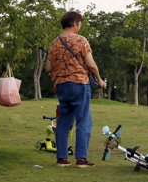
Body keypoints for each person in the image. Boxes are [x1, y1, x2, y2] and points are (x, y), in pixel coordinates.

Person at [45, 11, 106, 166]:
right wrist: (99, 79)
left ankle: (62, 158)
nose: (80, 27)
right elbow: (91, 64)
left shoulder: (54, 43)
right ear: (74, 23)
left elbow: (48, 68)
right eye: (79, 24)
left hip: (61, 86)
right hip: (79, 84)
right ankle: (81, 158)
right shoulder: (81, 40)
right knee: (83, 120)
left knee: (64, 121)